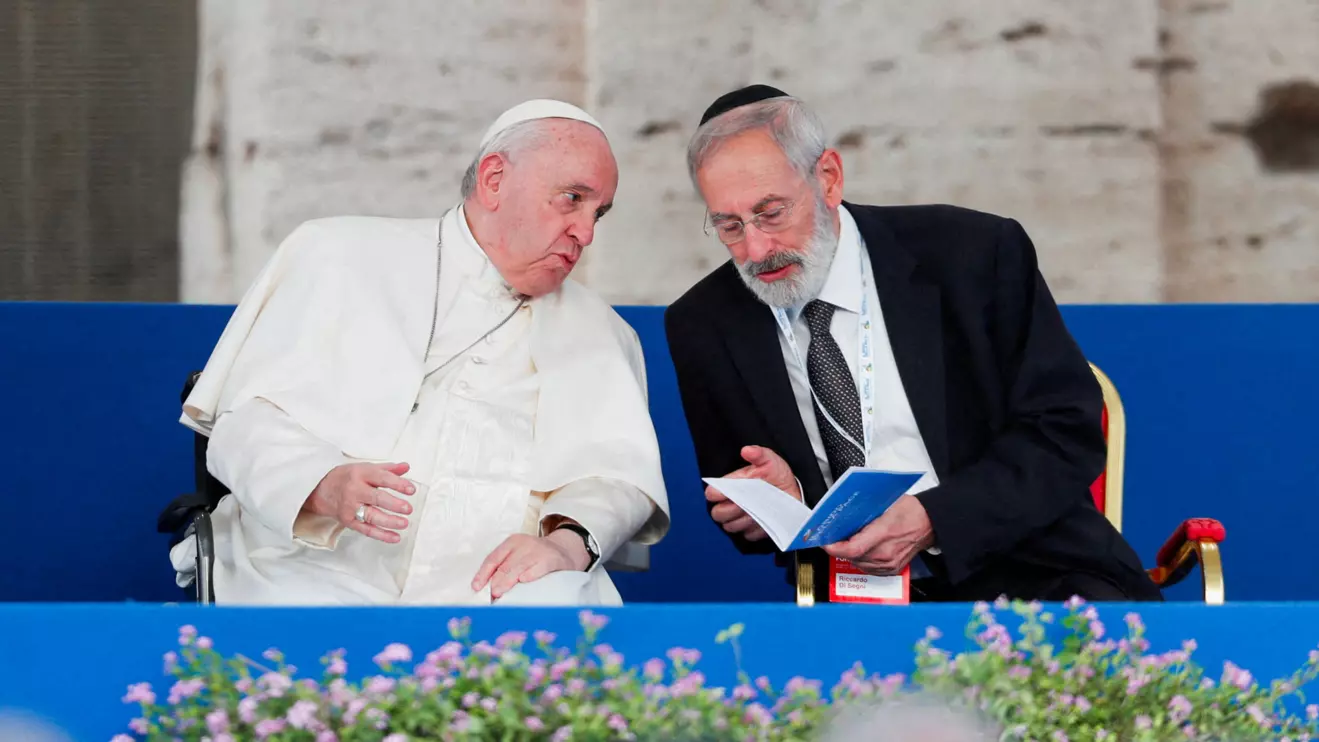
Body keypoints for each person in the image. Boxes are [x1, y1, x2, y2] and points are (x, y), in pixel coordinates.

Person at [664, 84, 1162, 603]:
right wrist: (776, 503)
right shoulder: (704, 323)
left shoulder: (972, 255)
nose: (757, 249)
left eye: (771, 213)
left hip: (1039, 574)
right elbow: (743, 519)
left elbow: (1065, 431)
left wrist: (934, 518)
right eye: (729, 226)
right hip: (853, 601)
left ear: (828, 178)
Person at [170, 99, 670, 606]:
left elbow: (616, 478)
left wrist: (567, 545)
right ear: (494, 180)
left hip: (495, 583)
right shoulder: (336, 255)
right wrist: (323, 484)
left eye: (597, 213)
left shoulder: (603, 331)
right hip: (318, 564)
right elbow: (245, 427)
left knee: (559, 607)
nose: (585, 233)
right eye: (572, 199)